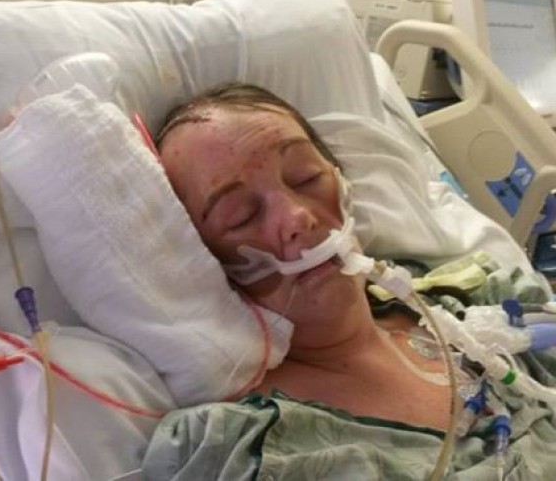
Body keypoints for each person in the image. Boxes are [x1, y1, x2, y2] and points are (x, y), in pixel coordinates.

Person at [142, 82, 556, 480]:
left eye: (305, 177)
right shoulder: (246, 449)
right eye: (241, 215)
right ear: (205, 260)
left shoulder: (476, 298)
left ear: (342, 182)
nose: (298, 217)